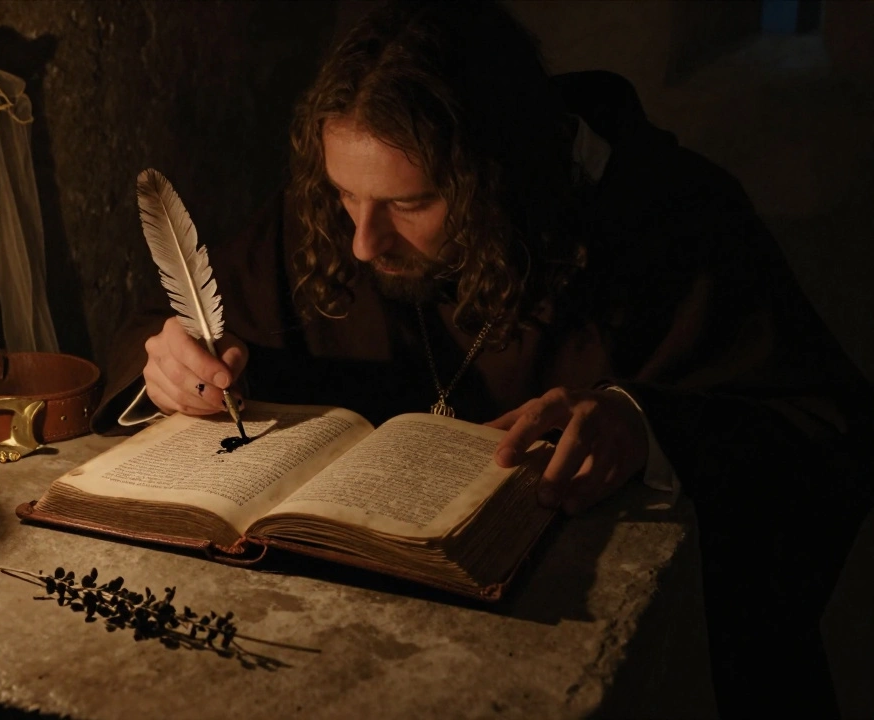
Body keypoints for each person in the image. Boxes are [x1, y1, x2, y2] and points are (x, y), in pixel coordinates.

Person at [92, 1, 873, 716]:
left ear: (498, 175)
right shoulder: (331, 223)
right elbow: (159, 329)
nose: (362, 243)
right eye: (343, 196)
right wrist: (164, 364)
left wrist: (645, 426)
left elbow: (827, 432)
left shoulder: (674, 219)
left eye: (411, 204)